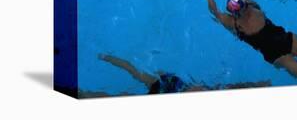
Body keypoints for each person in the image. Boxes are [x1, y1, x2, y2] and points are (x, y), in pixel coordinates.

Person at [99, 54, 271, 94]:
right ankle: (107, 57)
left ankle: (107, 57)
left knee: (134, 72)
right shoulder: (212, 89)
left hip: (168, 84)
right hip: (168, 85)